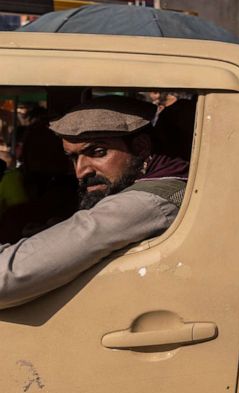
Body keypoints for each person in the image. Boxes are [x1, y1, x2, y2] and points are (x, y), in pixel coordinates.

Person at [0, 96, 189, 309]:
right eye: (73, 158)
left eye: (97, 152)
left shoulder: (144, 202)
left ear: (142, 147)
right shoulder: (164, 182)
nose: (81, 171)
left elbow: (7, 277)